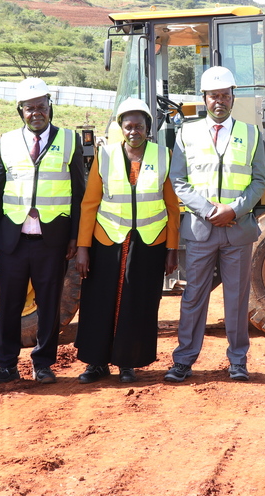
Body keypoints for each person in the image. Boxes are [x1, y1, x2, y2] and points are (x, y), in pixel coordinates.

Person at [166, 66, 265, 383]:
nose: (219, 101)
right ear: (204, 99)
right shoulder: (186, 133)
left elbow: (259, 181)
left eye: (225, 95)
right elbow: (178, 180)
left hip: (237, 231)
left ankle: (238, 361)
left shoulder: (251, 134)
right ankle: (183, 360)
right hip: (200, 228)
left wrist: (235, 210)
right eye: (214, 96)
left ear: (233, 97)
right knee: (193, 296)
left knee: (236, 299)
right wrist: (209, 210)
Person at [0, 77, 86, 384]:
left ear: (50, 108)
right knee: (9, 303)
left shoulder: (70, 140)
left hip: (51, 240)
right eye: (29, 108)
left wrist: (74, 238)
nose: (36, 113)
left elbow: (78, 193)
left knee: (49, 303)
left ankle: (43, 363)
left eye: (41, 107)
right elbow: (0, 190)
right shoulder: (6, 142)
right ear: (20, 111)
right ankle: (6, 364)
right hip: (13, 239)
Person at [74, 99, 180, 383]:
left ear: (148, 128)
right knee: (99, 301)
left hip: (148, 243)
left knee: (138, 302)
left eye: (140, 126)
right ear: (120, 127)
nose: (134, 131)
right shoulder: (105, 155)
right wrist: (83, 248)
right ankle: (96, 363)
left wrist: (172, 249)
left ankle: (127, 361)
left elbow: (172, 207)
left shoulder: (163, 155)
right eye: (128, 126)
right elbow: (89, 204)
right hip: (106, 241)